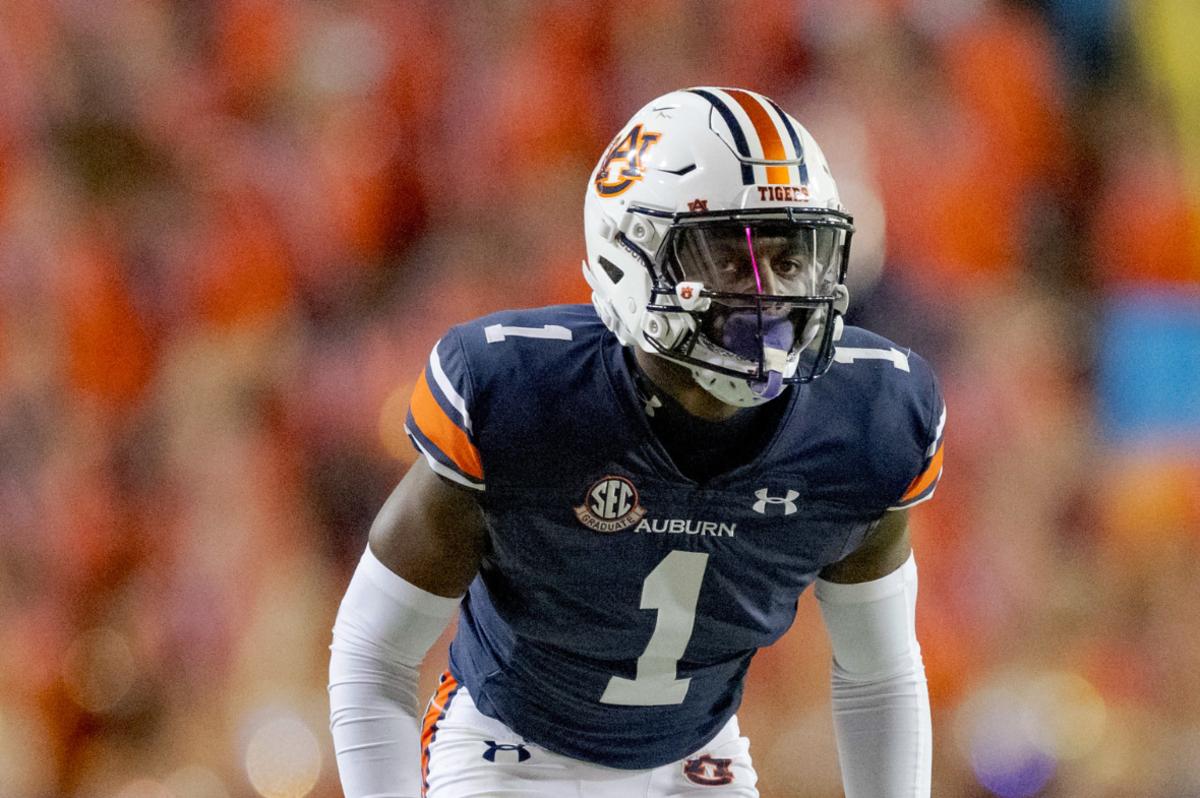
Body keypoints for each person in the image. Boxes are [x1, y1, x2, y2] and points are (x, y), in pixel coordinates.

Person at [328, 87, 943, 798]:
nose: (771, 296)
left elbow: (879, 675)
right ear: (631, 254)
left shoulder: (868, 418)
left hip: (696, 760)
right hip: (507, 750)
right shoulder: (522, 396)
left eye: (789, 258)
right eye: (732, 258)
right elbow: (374, 656)